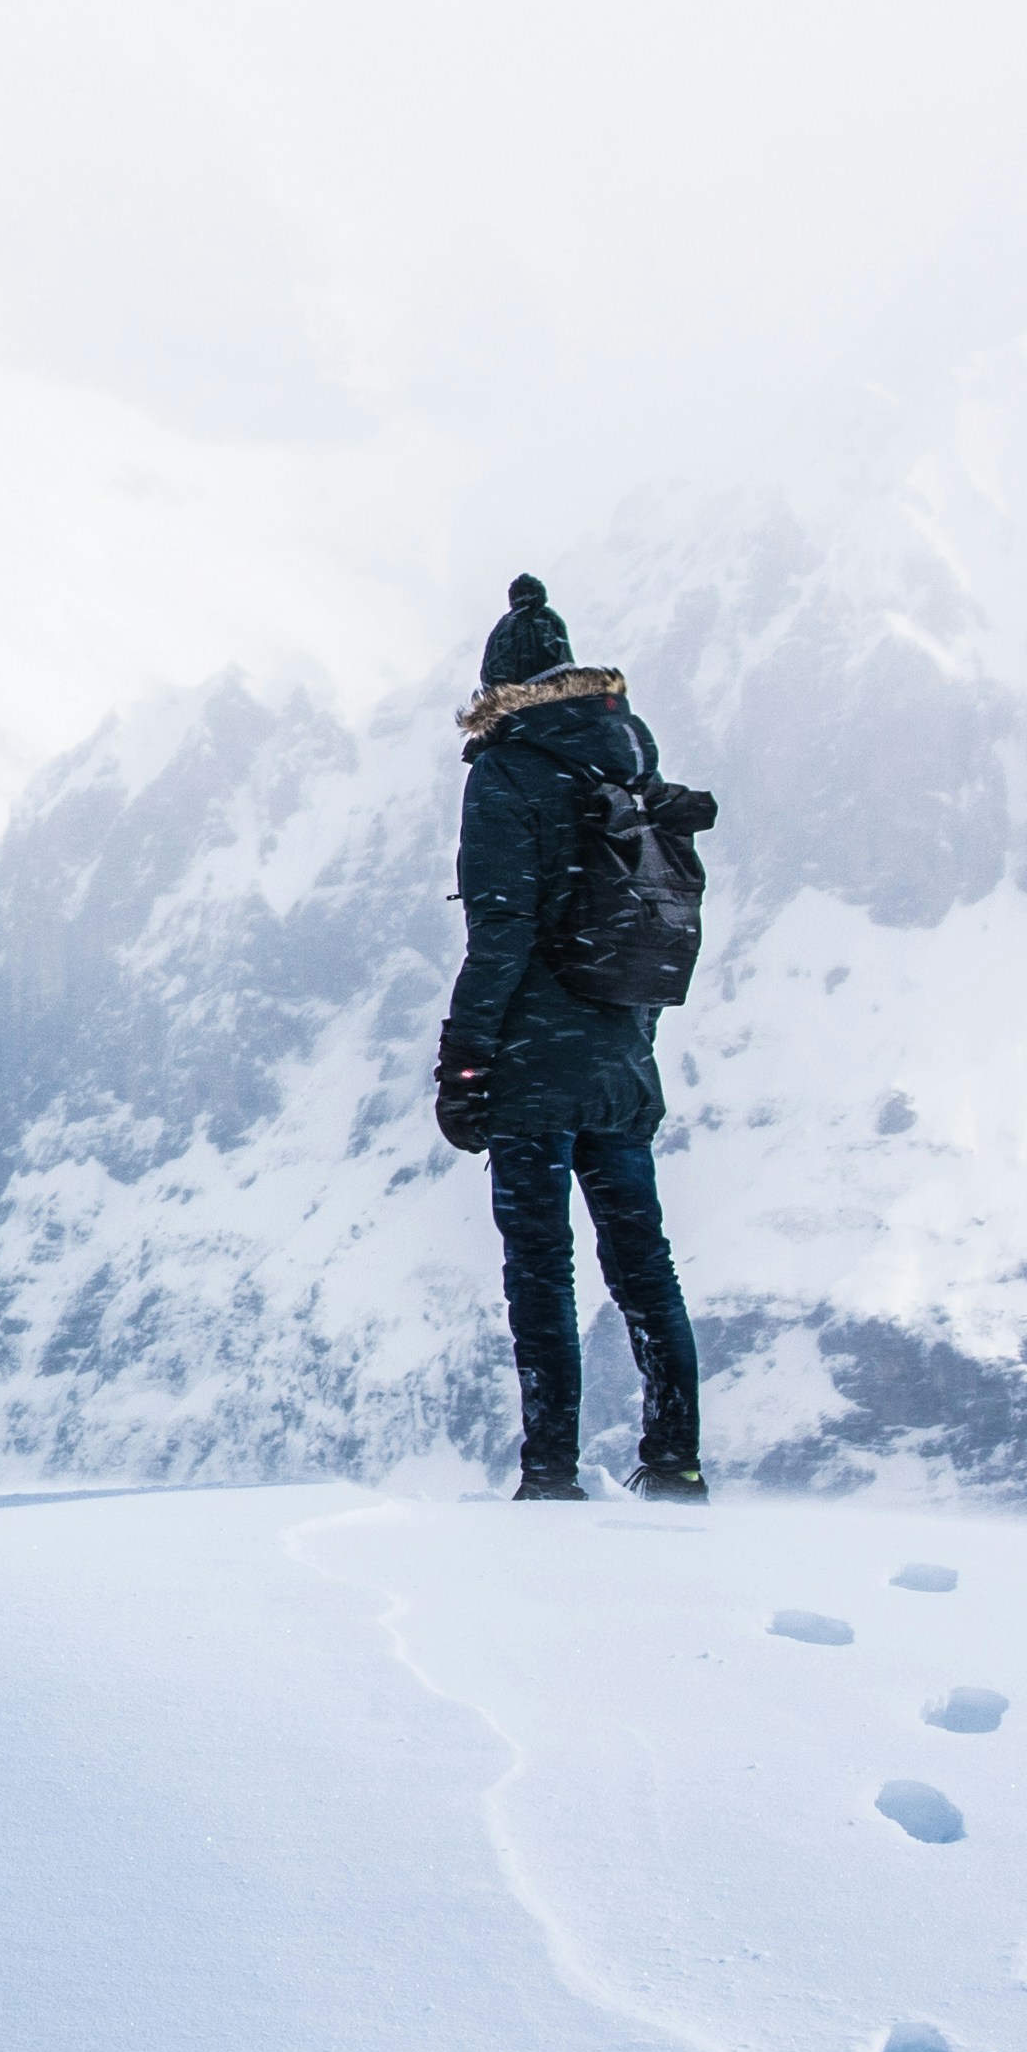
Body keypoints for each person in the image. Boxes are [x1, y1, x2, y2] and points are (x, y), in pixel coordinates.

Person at [433, 574, 706, 1501]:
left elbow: (500, 934)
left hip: (534, 1072)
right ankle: (675, 1462)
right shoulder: (630, 762)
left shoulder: (508, 773)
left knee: (541, 1272)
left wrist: (463, 1066)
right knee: (644, 1267)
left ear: (495, 694)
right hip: (623, 1059)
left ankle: (550, 1472)